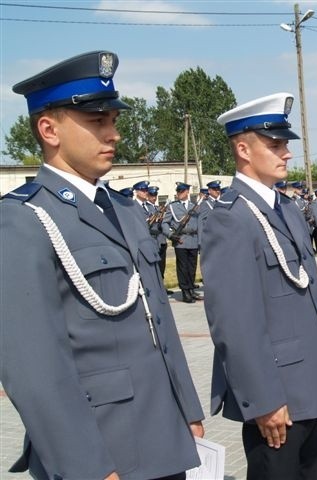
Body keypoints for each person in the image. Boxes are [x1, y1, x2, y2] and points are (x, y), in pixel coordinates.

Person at [1, 50, 204, 480]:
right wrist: (87, 468)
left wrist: (187, 407)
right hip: (103, 448)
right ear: (48, 129)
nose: (113, 134)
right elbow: (34, 368)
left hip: (163, 436)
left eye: (113, 120)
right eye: (97, 122)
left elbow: (159, 322)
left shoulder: (124, 209)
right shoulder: (23, 220)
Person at [201, 92, 317, 480]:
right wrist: (264, 400)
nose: (286, 154)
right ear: (243, 149)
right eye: (275, 144)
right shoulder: (230, 218)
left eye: (285, 144)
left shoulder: (285, 209)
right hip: (278, 397)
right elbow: (233, 322)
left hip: (313, 386)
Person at [162, 182, 202, 303]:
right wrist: (170, 234)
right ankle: (185, 291)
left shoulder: (194, 206)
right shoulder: (172, 207)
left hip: (193, 239)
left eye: (182, 192)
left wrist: (199, 241)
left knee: (192, 267)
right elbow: (164, 223)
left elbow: (199, 224)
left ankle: (191, 289)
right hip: (181, 240)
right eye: (178, 192)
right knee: (183, 267)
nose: (179, 194)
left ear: (187, 192)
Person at [147, 185, 169, 282]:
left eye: (155, 195)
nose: (154, 198)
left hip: (161, 238)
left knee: (162, 264)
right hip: (152, 238)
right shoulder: (145, 208)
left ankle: (162, 284)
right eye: (152, 195)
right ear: (148, 195)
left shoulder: (157, 208)